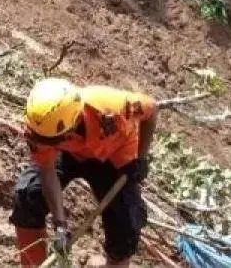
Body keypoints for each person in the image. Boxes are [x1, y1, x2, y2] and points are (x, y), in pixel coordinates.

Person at [12, 78, 158, 267]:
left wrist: (141, 157)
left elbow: (152, 109)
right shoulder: (40, 131)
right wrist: (60, 225)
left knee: (126, 224)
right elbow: (47, 172)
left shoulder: (115, 107)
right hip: (70, 152)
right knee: (28, 194)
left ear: (74, 122)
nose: (43, 144)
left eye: (50, 141)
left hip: (115, 157)